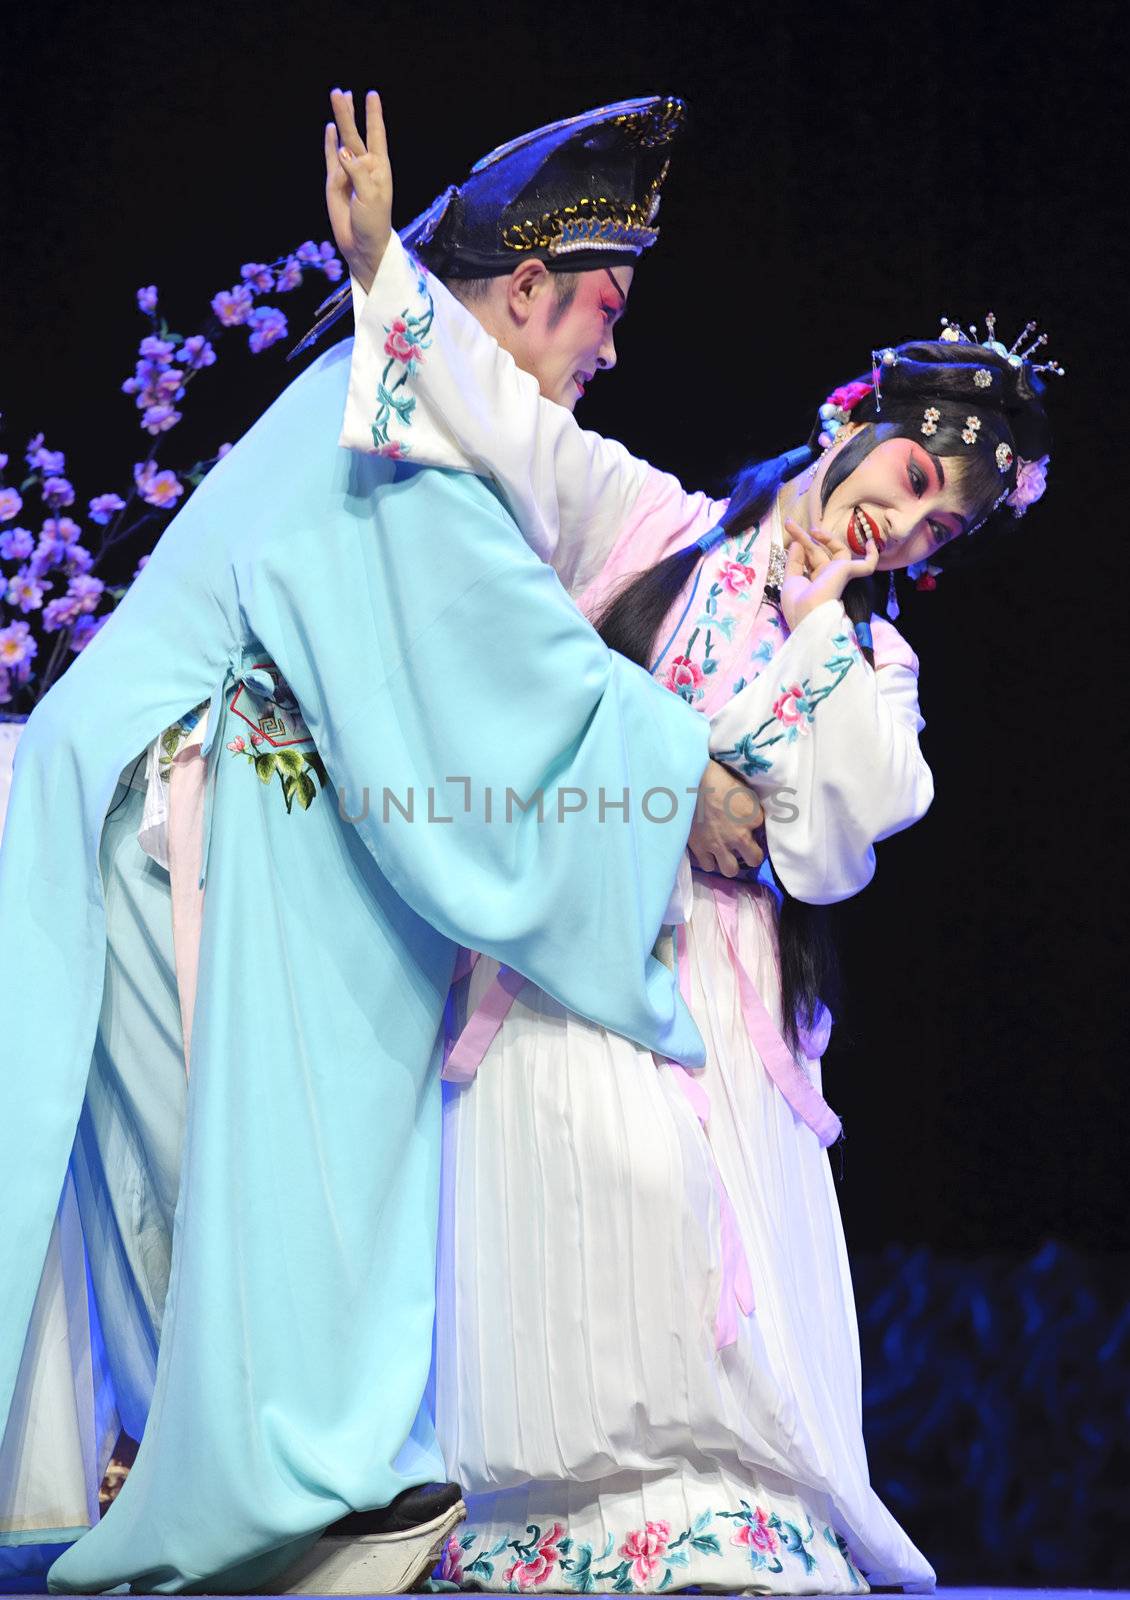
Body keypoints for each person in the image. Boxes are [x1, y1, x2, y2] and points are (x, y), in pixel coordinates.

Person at [0, 96, 723, 1597]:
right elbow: (497, 654)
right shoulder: (396, 411)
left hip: (167, 803)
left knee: (225, 1181)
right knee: (269, 1165)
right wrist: (675, 771)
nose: (608, 343)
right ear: (521, 291)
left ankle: (260, 1499)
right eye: (603, 304)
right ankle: (282, 1493)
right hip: (186, 812)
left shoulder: (420, 405)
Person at [335, 104, 1054, 1594]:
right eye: (914, 482)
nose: (907, 531)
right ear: (858, 416)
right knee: (555, 1212)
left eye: (939, 536)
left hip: (716, 992)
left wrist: (815, 622)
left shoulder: (870, 665)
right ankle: (529, 1527)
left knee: (687, 1246)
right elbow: (509, 420)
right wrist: (379, 275)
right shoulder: (654, 529)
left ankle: (715, 1522)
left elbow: (847, 829)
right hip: (563, 948)